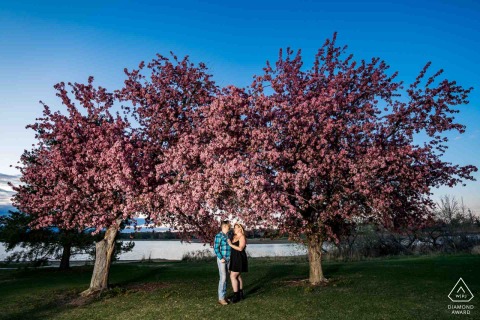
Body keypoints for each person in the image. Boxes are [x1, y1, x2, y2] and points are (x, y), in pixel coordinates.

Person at [227, 222, 248, 303]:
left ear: (240, 229)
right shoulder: (234, 236)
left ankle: (236, 296)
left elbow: (240, 248)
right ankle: (240, 294)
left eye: (236, 228)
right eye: (234, 227)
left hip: (239, 257)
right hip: (234, 257)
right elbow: (228, 235)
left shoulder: (242, 236)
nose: (234, 229)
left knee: (233, 276)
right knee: (238, 276)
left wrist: (230, 244)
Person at [213, 220, 232, 305]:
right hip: (222, 260)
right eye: (228, 226)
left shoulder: (229, 235)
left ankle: (224, 296)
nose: (230, 227)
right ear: (224, 226)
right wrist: (221, 258)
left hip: (229, 259)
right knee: (223, 278)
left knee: (226, 278)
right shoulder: (219, 236)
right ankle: (221, 298)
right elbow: (216, 248)